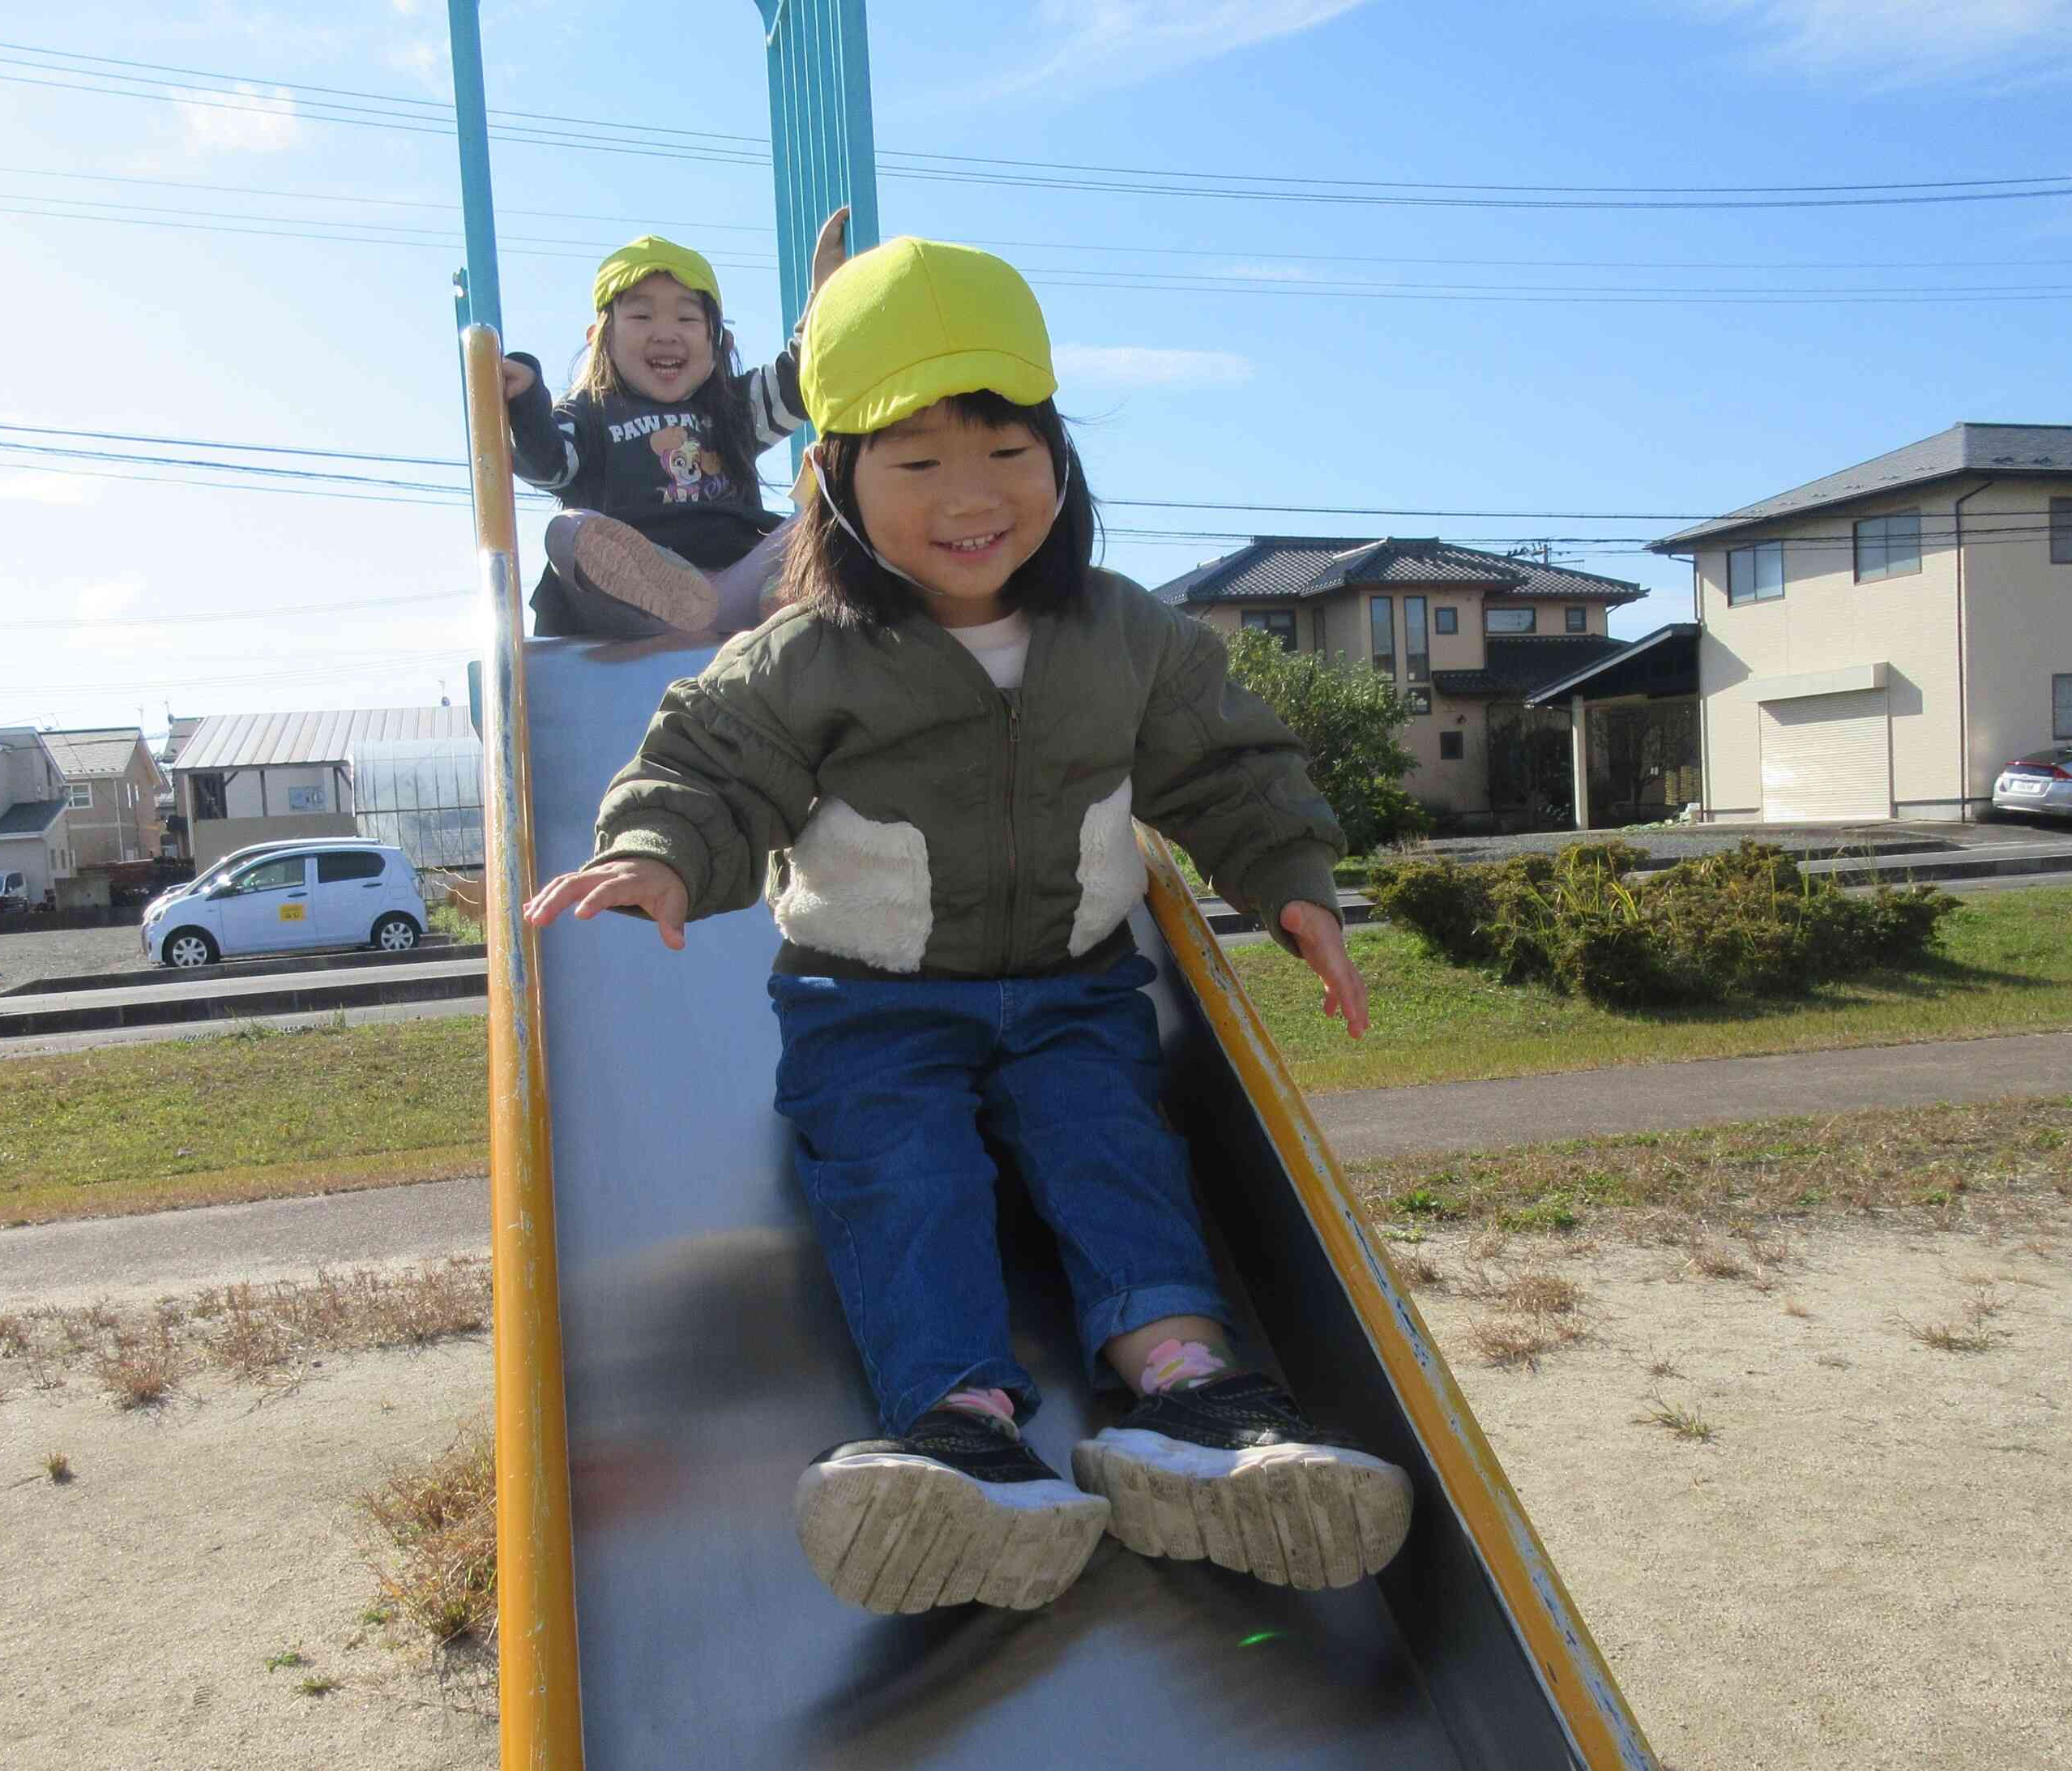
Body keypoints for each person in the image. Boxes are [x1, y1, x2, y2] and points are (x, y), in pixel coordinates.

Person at [525, 237, 1415, 1618]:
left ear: (1059, 462)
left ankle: (1196, 1406)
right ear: (836, 485)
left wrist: (1289, 877)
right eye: (917, 462)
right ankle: (964, 1437)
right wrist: (655, 855)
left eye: (1005, 450)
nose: (972, 496)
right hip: (869, 1006)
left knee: (1114, 1153)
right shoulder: (804, 656)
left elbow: (1228, 765)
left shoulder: (1125, 637)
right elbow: (707, 768)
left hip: (1071, 992)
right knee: (906, 1177)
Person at [502, 211, 848, 639]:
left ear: (719, 342)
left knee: (832, 507)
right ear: (600, 339)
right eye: (642, 318)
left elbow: (804, 373)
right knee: (568, 531)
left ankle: (785, 594)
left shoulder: (734, 408)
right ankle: (745, 604)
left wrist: (826, 295)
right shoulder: (590, 412)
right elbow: (549, 463)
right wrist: (527, 399)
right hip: (640, 604)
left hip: (740, 579)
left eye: (687, 319)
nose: (665, 333)